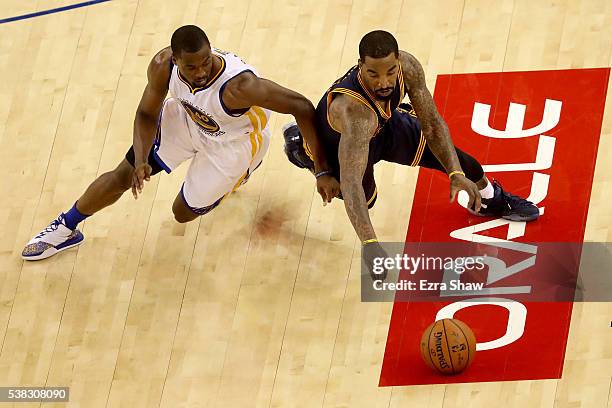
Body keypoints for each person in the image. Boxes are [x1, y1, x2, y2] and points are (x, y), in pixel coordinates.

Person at [22, 25, 322, 260]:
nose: (202, 71)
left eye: (206, 62)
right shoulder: (162, 66)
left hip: (235, 144)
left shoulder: (240, 87)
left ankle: (244, 172)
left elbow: (302, 106)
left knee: (182, 214)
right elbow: (145, 113)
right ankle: (65, 228)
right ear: (176, 60)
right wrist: (141, 160)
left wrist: (317, 163)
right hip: (188, 120)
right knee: (123, 175)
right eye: (192, 67)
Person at [282, 30, 539, 280]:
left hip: (383, 127)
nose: (384, 82)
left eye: (390, 72)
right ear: (360, 66)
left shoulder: (408, 66)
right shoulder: (354, 112)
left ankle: (489, 199)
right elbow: (351, 183)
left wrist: (455, 173)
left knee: (465, 164)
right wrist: (370, 244)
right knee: (364, 199)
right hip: (344, 144)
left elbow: (433, 126)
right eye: (373, 74)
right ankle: (302, 149)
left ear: (397, 61)